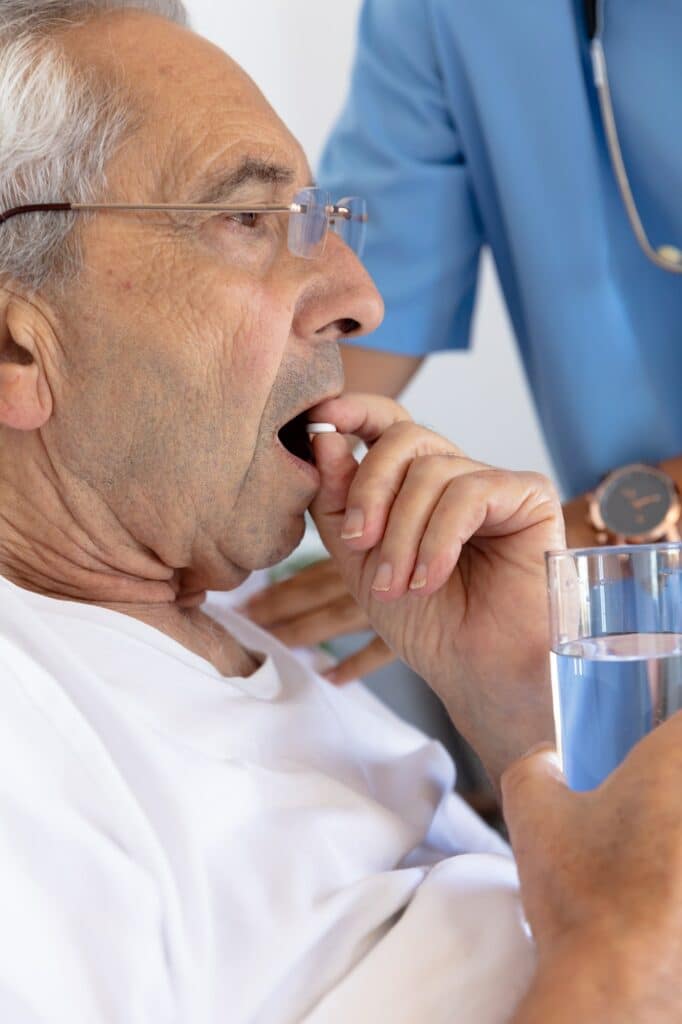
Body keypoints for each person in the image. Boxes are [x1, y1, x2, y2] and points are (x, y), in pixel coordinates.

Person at [1, 2, 682, 1021]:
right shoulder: (34, 753)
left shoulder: (228, 649)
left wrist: (522, 716)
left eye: (321, 222)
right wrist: (626, 958)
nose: (363, 296)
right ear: (17, 346)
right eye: (245, 220)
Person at [246, 0, 682, 685]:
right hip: (622, 625)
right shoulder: (439, 14)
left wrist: (586, 537)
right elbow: (348, 324)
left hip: (603, 586)